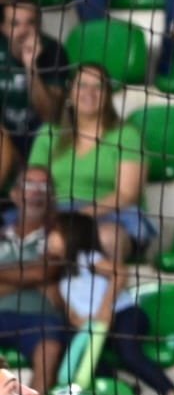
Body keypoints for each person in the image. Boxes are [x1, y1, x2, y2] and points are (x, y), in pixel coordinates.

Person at [29, 63, 157, 261]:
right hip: (56, 215)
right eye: (82, 85)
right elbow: (34, 182)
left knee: (106, 238)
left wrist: (77, 219)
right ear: (70, 92)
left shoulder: (127, 135)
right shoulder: (48, 133)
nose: (90, 92)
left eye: (98, 86)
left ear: (107, 95)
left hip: (113, 216)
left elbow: (127, 194)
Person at [49, 209, 174, 395]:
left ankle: (170, 392)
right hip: (95, 328)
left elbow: (120, 273)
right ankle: (123, 391)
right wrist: (76, 318)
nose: (50, 237)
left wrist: (106, 308)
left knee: (129, 352)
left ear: (71, 235)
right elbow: (70, 309)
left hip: (125, 315)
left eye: (55, 231)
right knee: (91, 359)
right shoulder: (63, 276)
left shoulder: (89, 259)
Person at [0, 167, 66, 394]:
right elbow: (40, 274)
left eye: (44, 186)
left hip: (40, 318)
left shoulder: (61, 234)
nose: (36, 192)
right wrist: (33, 275)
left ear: (52, 197)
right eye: (29, 184)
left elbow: (44, 273)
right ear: (15, 194)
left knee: (50, 349)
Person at [0, 0, 71, 159]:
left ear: (39, 26)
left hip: (40, 138)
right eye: (15, 24)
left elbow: (50, 115)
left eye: (30, 23)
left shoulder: (54, 51)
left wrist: (31, 67)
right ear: (3, 29)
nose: (23, 31)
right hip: (4, 139)